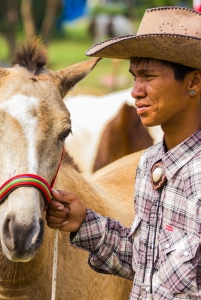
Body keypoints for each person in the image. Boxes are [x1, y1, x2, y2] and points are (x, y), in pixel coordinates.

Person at [46, 6, 201, 300]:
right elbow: (147, 263)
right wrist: (84, 221)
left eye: (149, 77)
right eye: (134, 77)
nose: (135, 91)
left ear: (193, 82)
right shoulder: (150, 165)